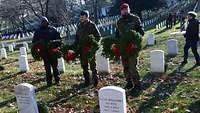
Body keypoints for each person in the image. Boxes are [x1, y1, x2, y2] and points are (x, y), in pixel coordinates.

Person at [116, 3, 144, 90]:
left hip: (133, 47)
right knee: (126, 66)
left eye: (126, 9)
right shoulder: (119, 22)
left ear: (129, 9)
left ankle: (137, 84)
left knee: (133, 66)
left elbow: (141, 32)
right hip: (123, 48)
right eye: (123, 10)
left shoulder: (135, 19)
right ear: (121, 11)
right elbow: (117, 35)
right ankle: (129, 82)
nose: (125, 11)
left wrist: (135, 41)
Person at [32, 17, 61, 86]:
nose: (44, 23)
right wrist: (39, 44)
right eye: (42, 22)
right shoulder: (38, 31)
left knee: (55, 67)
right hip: (44, 53)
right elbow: (34, 42)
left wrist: (55, 44)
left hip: (53, 52)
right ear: (41, 23)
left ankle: (57, 80)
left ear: (47, 22)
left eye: (45, 21)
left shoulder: (52, 29)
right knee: (47, 68)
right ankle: (49, 81)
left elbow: (59, 39)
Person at [75, 10, 101, 87]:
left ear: (87, 17)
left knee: (93, 66)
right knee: (84, 66)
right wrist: (75, 46)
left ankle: (95, 81)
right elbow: (77, 38)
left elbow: (98, 36)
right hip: (82, 50)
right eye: (81, 17)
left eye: (83, 17)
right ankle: (87, 81)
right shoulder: (79, 26)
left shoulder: (92, 25)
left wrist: (92, 46)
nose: (81, 18)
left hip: (90, 50)